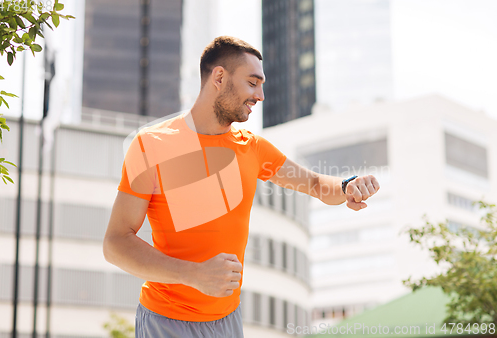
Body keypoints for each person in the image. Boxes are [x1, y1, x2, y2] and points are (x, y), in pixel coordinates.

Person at [103, 36, 380, 338]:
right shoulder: (150, 145)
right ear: (219, 77)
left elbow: (314, 183)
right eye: (252, 83)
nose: (260, 95)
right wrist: (193, 275)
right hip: (166, 322)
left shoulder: (253, 148)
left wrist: (348, 186)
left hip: (229, 321)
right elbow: (116, 243)